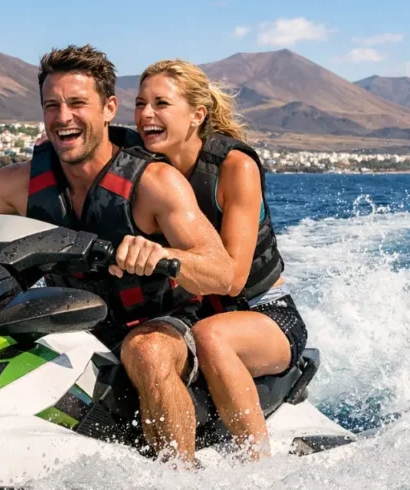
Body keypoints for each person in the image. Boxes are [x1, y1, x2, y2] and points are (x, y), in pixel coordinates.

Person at [0, 45, 235, 466]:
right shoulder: (19, 184)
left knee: (146, 351)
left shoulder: (156, 183)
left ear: (108, 108)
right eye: (52, 105)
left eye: (77, 103)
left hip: (163, 324)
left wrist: (160, 253)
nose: (63, 117)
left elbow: (222, 273)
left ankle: (181, 473)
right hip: (74, 321)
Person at [130, 59, 307, 461]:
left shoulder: (234, 167)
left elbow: (233, 279)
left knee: (213, 337)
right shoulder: (142, 164)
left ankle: (257, 465)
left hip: (265, 313)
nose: (146, 115)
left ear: (197, 115)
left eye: (161, 103)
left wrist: (163, 256)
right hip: (191, 310)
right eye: (140, 104)